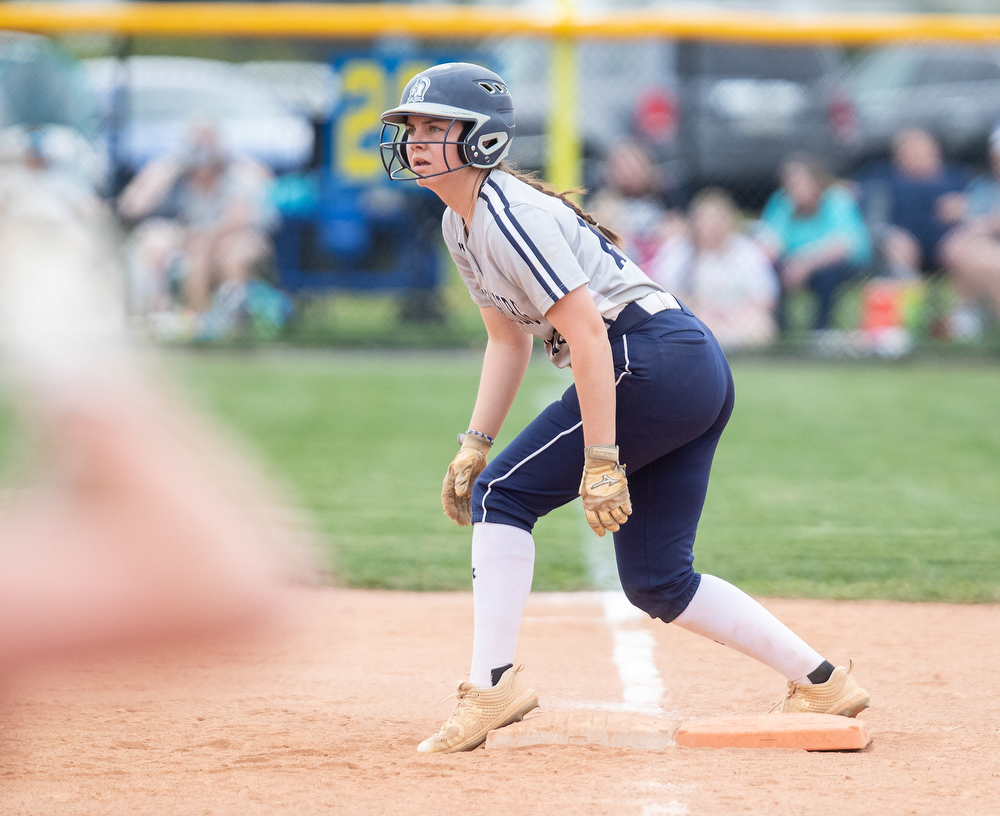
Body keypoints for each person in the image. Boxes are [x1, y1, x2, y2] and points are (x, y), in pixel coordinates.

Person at [378, 62, 869, 755]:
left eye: (436, 128)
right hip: (682, 362)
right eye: (412, 129)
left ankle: (492, 688)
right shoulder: (462, 226)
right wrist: (474, 440)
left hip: (651, 359)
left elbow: (585, 334)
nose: (418, 141)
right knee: (659, 581)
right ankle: (820, 680)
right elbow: (505, 342)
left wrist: (602, 459)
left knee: (501, 500)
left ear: (482, 139)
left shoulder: (507, 213)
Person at [0, 146, 316, 673]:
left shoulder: (236, 178)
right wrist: (64, 352)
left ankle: (199, 313)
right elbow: (224, 583)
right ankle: (188, 315)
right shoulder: (187, 177)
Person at [117, 119, 278, 319]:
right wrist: (171, 166)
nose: (202, 153)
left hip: (234, 238)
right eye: (195, 145)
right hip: (194, 238)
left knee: (230, 253)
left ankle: (233, 319)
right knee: (161, 244)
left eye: (207, 143)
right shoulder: (176, 173)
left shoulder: (240, 172)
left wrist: (209, 237)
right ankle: (191, 317)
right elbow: (131, 208)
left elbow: (243, 216)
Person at [648, 187, 779, 349]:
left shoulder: (746, 250)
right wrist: (698, 308)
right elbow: (664, 292)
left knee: (761, 324)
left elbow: (765, 295)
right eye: (703, 219)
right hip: (695, 314)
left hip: (738, 316)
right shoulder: (678, 249)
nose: (709, 226)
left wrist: (732, 314)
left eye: (715, 220)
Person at [757, 154, 872, 334]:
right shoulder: (783, 202)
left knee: (826, 275)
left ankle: (820, 330)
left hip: (839, 263)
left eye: (802, 182)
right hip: (794, 264)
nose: (796, 189)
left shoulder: (836, 199)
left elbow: (841, 246)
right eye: (791, 184)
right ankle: (780, 330)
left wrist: (804, 263)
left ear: (816, 181)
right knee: (770, 271)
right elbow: (770, 239)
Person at [853, 128, 971, 280]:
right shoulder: (883, 177)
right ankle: (912, 291)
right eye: (911, 152)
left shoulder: (956, 177)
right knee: (897, 244)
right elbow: (849, 188)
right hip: (904, 237)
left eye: (923, 151)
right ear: (898, 157)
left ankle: (967, 298)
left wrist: (964, 207)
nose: (919, 157)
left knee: (963, 243)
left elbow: (980, 202)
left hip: (945, 237)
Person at [937, 124, 1000, 338]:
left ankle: (967, 314)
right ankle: (967, 316)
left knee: (989, 261)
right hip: (978, 253)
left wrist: (985, 225)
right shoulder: (983, 187)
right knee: (963, 249)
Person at [587, 140, 682, 269]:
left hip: (659, 263)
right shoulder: (602, 200)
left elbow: (680, 228)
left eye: (633, 166)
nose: (628, 173)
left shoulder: (666, 196)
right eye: (622, 167)